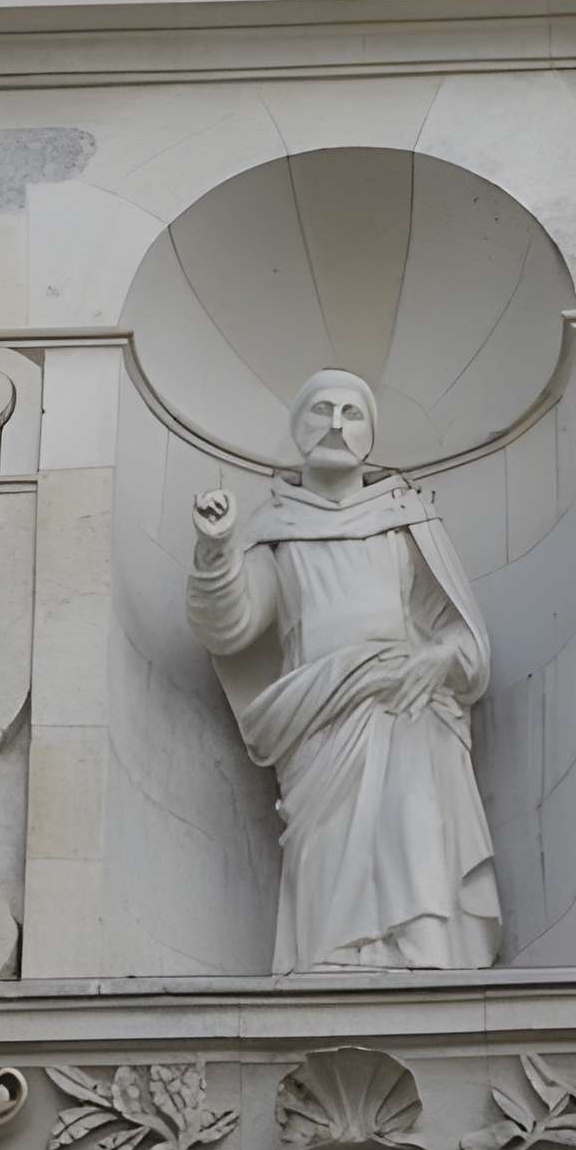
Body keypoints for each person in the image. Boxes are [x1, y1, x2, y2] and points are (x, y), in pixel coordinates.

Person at [186, 368, 502, 973]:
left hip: (405, 704)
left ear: (369, 436)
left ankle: (426, 960)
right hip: (319, 717)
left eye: (350, 413)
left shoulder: (406, 520)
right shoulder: (276, 531)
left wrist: (437, 658)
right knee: (327, 844)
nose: (335, 424)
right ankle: (330, 963)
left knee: (412, 824)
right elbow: (229, 626)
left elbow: (464, 637)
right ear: (297, 429)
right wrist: (215, 549)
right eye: (321, 410)